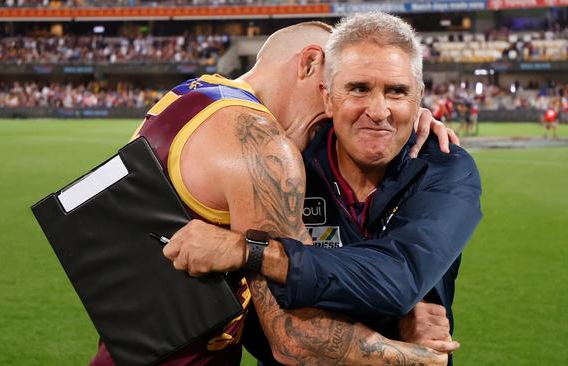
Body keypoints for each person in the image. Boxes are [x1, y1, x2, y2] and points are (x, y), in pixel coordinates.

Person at [89, 20, 457, 366]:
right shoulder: (262, 148)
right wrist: (419, 355)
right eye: (341, 90)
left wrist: (403, 121)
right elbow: (295, 340)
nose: (335, 112)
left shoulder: (189, 97)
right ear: (310, 63)